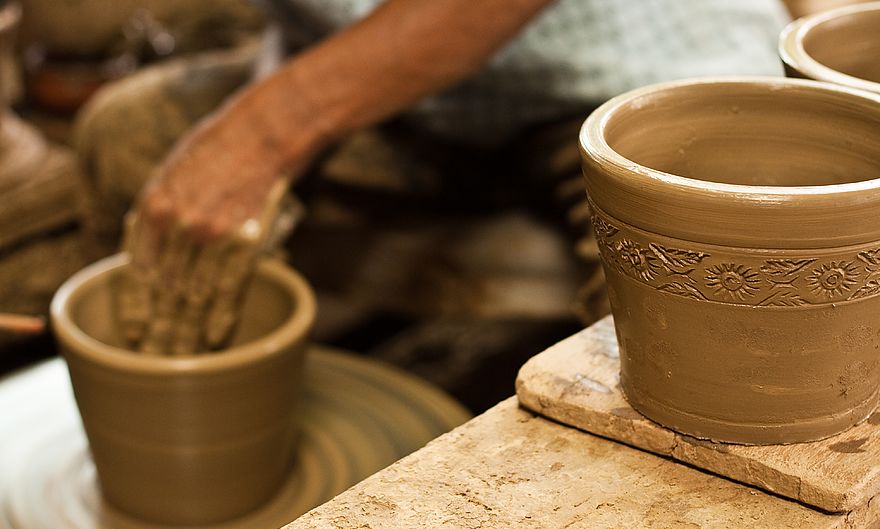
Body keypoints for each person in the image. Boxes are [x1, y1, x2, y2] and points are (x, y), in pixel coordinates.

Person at [77, 0, 791, 358]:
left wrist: (266, 133)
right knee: (127, 141)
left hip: (613, 67)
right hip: (383, 83)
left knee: (708, 332)